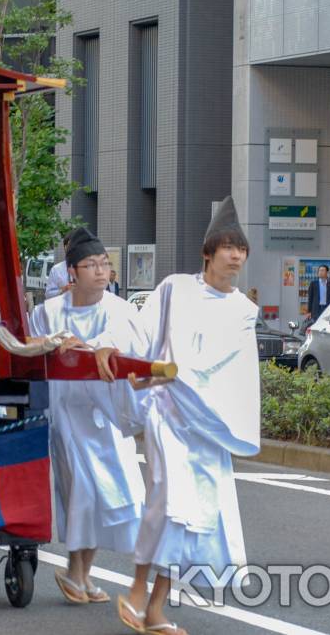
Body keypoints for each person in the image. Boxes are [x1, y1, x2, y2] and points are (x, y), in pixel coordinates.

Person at [97, 196, 261, 635]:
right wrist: (116, 349)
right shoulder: (175, 288)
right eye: (228, 247)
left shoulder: (244, 312)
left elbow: (236, 375)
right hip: (167, 414)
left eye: (241, 249)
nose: (236, 256)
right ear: (208, 252)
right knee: (170, 502)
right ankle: (135, 592)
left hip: (209, 425)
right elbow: (140, 329)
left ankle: (154, 607)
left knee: (194, 517)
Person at [29, 228, 146, 605]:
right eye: (91, 264)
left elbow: (131, 345)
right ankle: (76, 573)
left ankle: (81, 573)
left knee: (115, 494)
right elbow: (26, 345)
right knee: (80, 490)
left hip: (109, 416)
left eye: (105, 264)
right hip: (66, 414)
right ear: (71, 272)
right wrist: (51, 343)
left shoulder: (121, 310)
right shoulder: (47, 312)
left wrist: (95, 346)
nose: (100, 271)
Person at [44, 231, 76, 299]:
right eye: (70, 245)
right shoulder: (56, 270)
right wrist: (63, 290)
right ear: (65, 247)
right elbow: (48, 295)